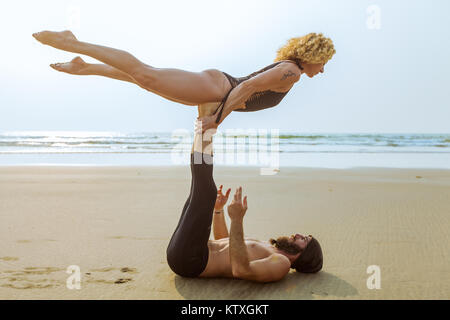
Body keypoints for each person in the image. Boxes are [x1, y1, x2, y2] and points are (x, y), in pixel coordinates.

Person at [32, 31, 335, 131]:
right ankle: (75, 43)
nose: (322, 70)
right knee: (145, 73)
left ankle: (84, 67)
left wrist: (217, 116)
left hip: (214, 92)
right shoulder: (291, 72)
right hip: (217, 88)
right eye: (323, 62)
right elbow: (246, 88)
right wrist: (217, 119)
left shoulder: (291, 72)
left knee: (145, 80)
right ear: (313, 55)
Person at [166, 106, 323, 282]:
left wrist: (237, 220)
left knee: (205, 192)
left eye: (305, 240)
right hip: (187, 251)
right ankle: (203, 125)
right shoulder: (267, 247)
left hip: (191, 261)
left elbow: (241, 270)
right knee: (200, 188)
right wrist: (219, 211)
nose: (300, 234)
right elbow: (225, 241)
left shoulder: (282, 263)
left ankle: (205, 126)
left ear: (305, 254)